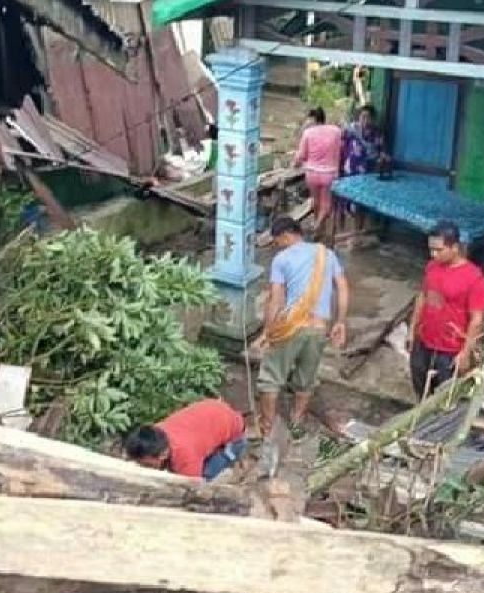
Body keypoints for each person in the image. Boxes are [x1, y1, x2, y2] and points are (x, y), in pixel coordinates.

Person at [254, 214, 349, 434]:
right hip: (318, 328)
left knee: (270, 377)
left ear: (286, 236)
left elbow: (275, 298)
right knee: (307, 378)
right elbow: (342, 288)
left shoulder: (281, 259)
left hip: (291, 325)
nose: (277, 247)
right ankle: (297, 422)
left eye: (277, 242)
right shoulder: (326, 254)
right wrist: (340, 322)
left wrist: (268, 332)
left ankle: (267, 427)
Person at [407, 220, 484, 399]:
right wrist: (412, 330)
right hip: (424, 342)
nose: (433, 254)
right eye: (431, 249)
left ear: (454, 247)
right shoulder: (431, 267)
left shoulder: (474, 278)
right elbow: (422, 297)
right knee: (420, 389)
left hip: (450, 350)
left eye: (438, 250)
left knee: (445, 398)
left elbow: (477, 319)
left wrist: (466, 353)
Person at [123, 398, 247, 480]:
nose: (141, 466)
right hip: (215, 412)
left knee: (206, 476)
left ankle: (233, 467)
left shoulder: (186, 458)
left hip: (234, 437)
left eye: (145, 464)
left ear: (163, 454)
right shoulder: (155, 432)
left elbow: (191, 489)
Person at [293, 107, 343, 236]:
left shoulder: (308, 133)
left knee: (316, 201)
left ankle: (317, 226)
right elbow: (340, 147)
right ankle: (319, 226)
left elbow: (302, 155)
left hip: (312, 174)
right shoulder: (336, 131)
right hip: (329, 174)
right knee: (326, 204)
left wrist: (295, 162)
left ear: (314, 119)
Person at [340, 106, 386, 234]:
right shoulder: (352, 129)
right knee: (349, 199)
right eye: (362, 116)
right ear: (359, 117)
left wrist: (382, 158)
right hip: (351, 170)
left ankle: (358, 230)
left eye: (368, 117)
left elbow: (381, 150)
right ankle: (353, 229)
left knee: (361, 201)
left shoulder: (376, 133)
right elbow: (341, 142)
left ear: (372, 119)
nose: (365, 120)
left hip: (367, 172)